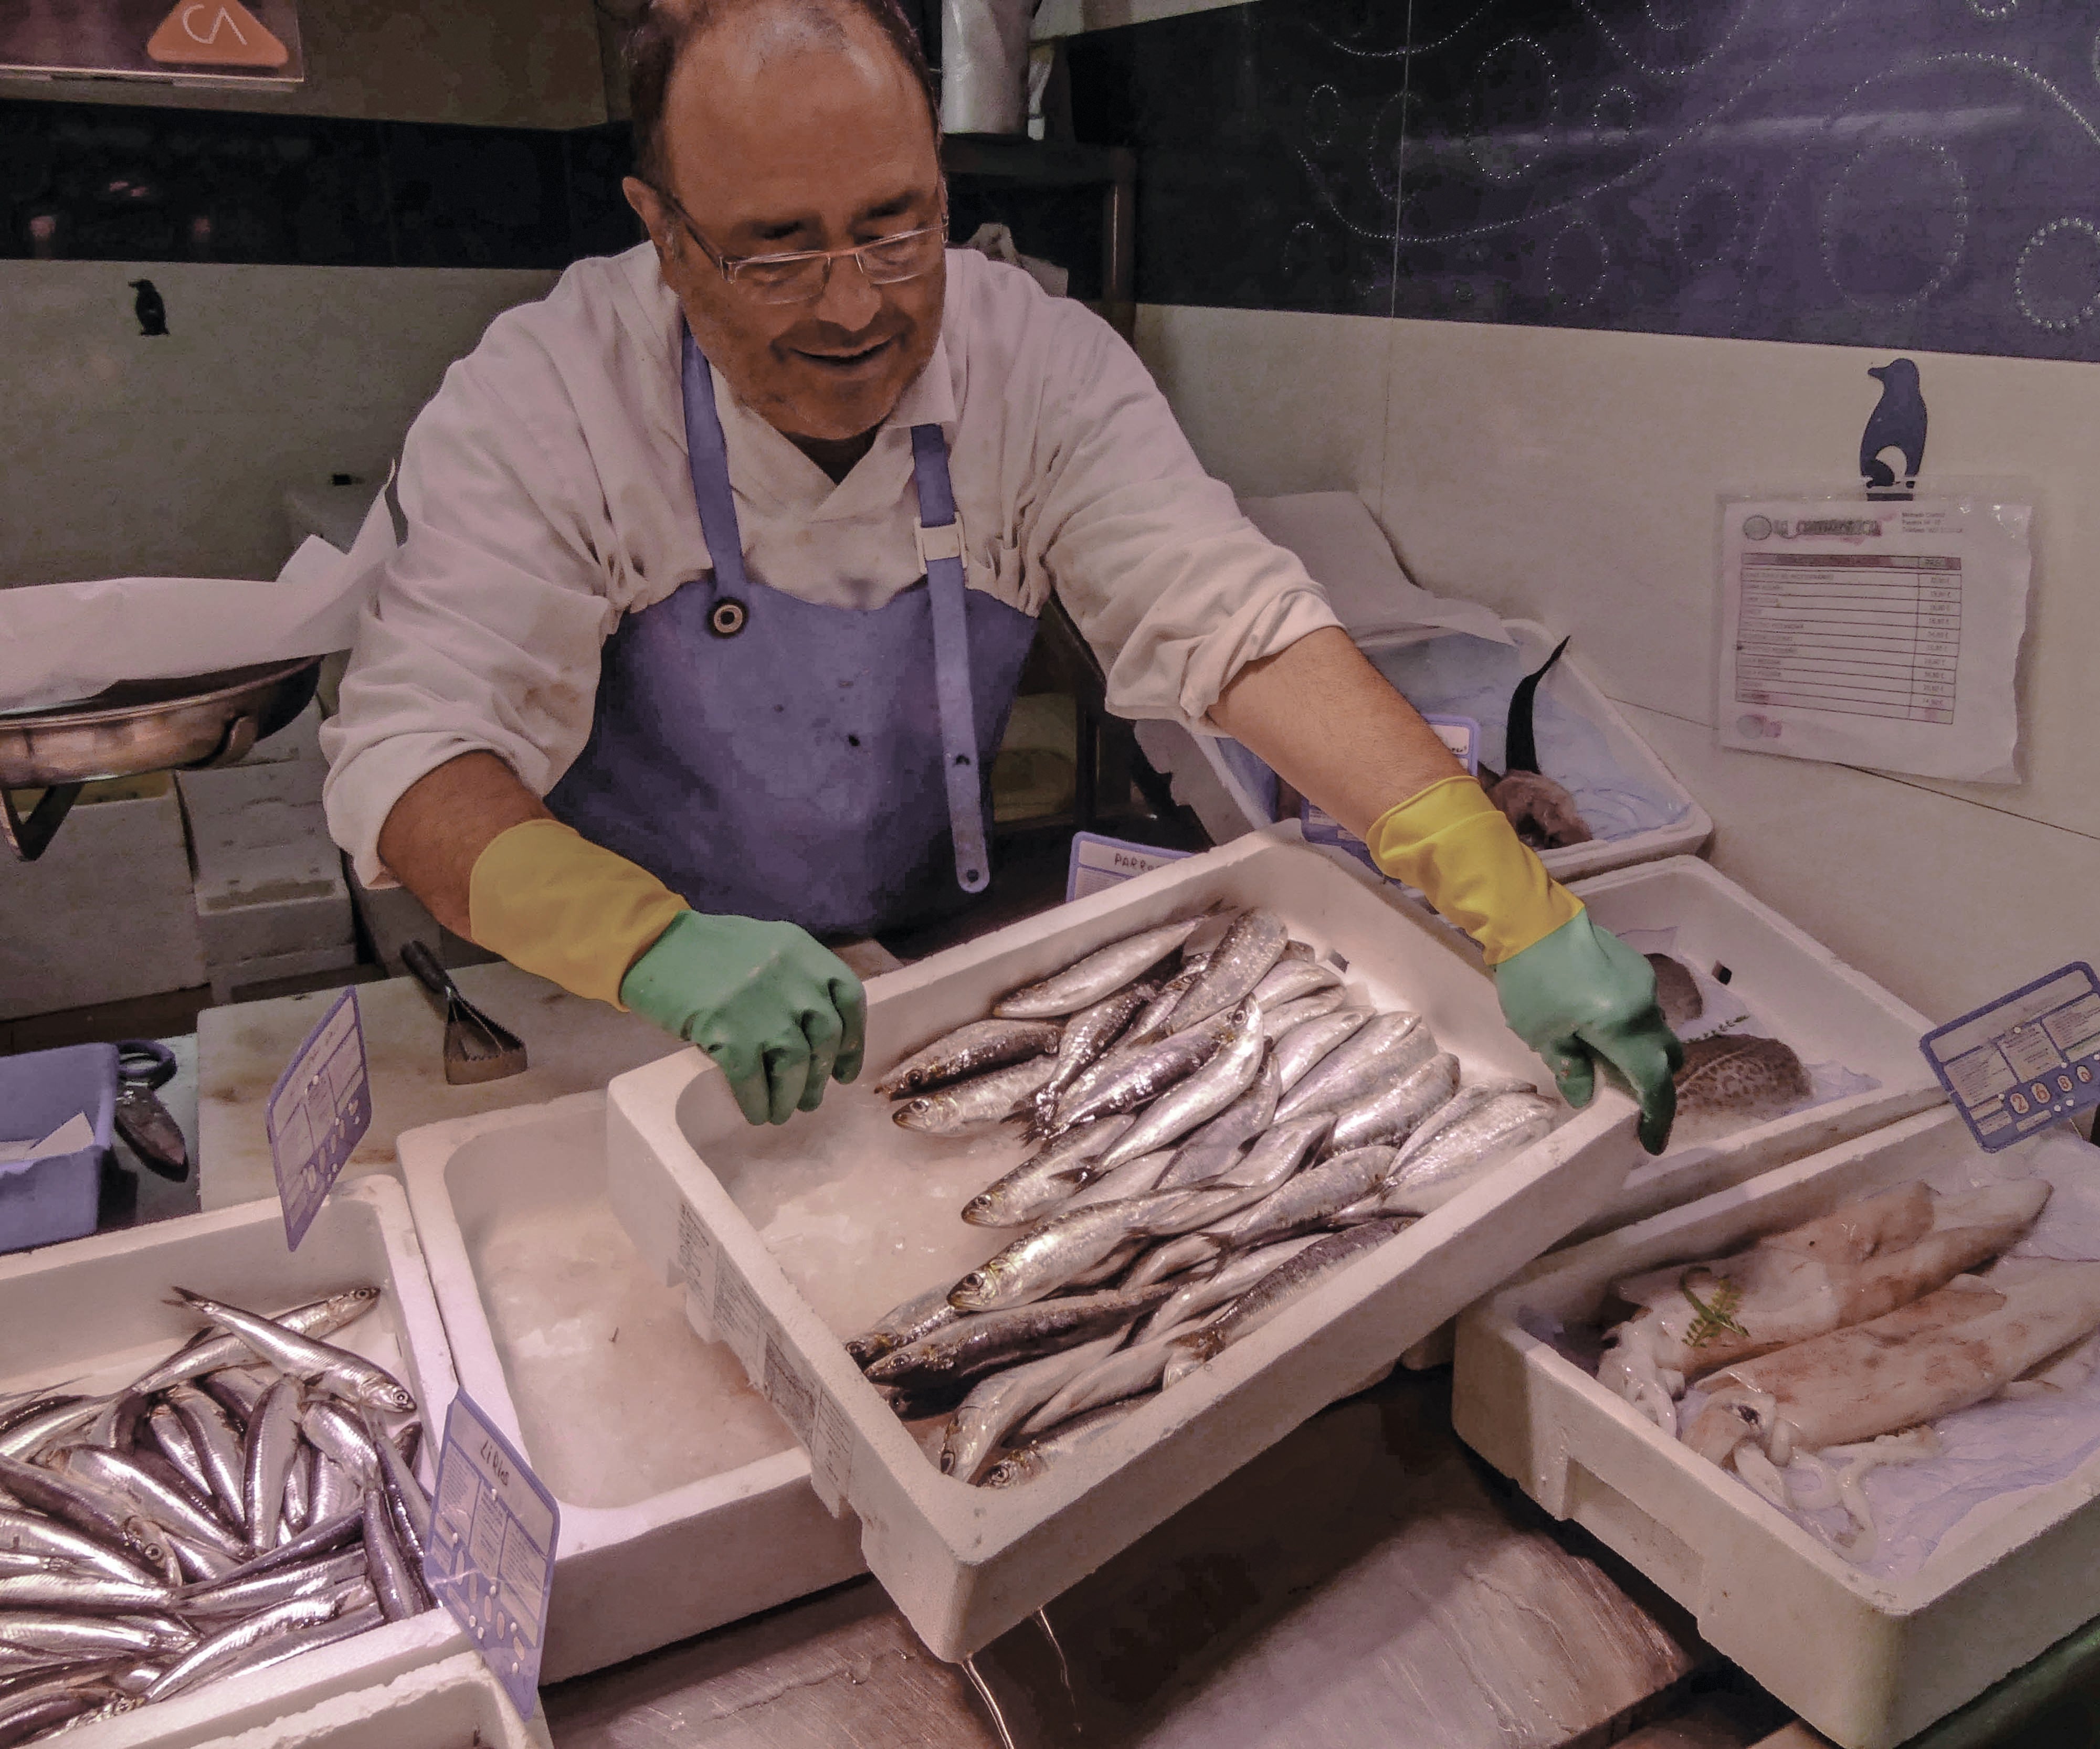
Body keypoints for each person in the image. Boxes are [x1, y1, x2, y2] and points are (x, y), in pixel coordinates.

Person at [319, 0, 1682, 1144]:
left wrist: (1511, 903)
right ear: (665, 234)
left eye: (894, 225)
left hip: (907, 971)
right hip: (595, 1013)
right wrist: (648, 946)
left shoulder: (1034, 362)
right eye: (778, 249)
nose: (855, 305)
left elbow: (1233, 626)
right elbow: (414, 760)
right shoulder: (548, 394)